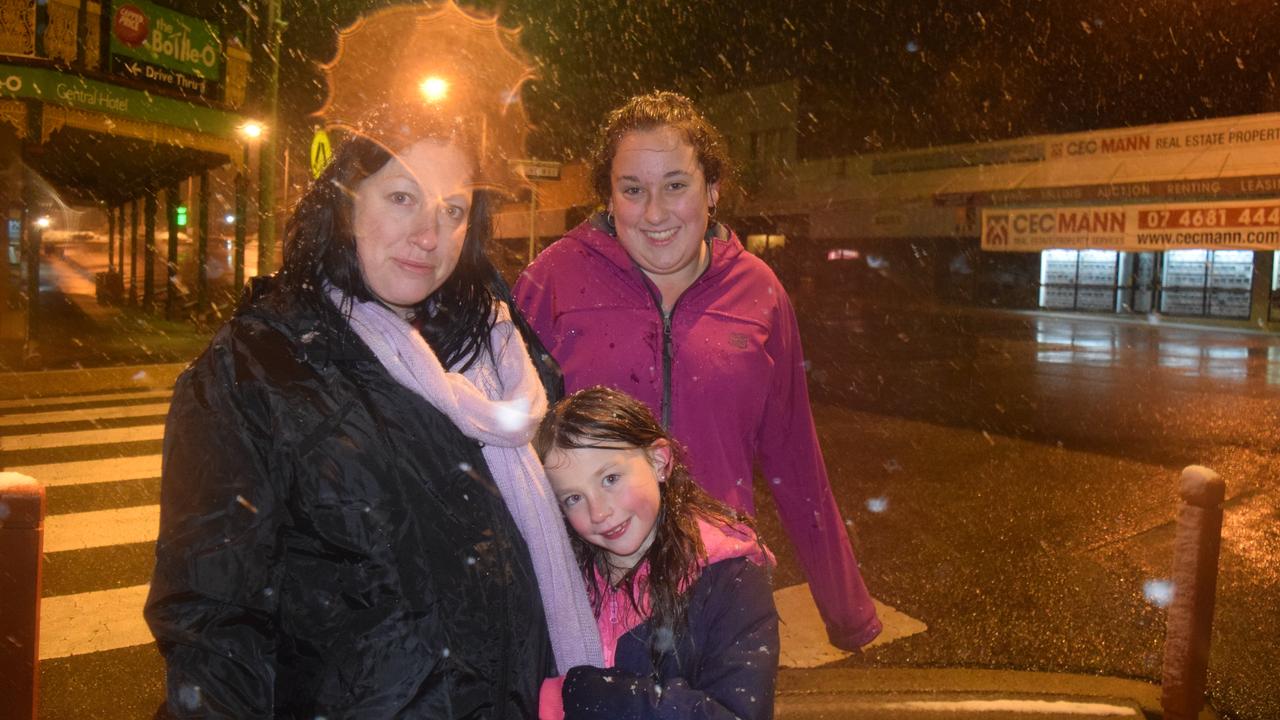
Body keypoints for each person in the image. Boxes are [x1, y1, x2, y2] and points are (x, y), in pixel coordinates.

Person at [144, 108, 601, 718]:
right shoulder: (258, 368)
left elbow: (583, 515)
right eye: (402, 197)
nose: (429, 235)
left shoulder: (501, 348)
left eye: (454, 210)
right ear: (345, 204)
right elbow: (215, 618)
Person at [514, 90, 882, 651]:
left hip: (721, 588)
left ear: (712, 190)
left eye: (676, 186)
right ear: (610, 199)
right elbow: (506, 445)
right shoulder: (554, 281)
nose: (656, 213)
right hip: (585, 594)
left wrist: (846, 607)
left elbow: (794, 456)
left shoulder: (759, 291)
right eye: (632, 190)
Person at [533, 386, 778, 720]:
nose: (599, 512)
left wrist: (598, 695)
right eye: (573, 498)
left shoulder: (731, 582)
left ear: (659, 461)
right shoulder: (565, 579)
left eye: (610, 478)